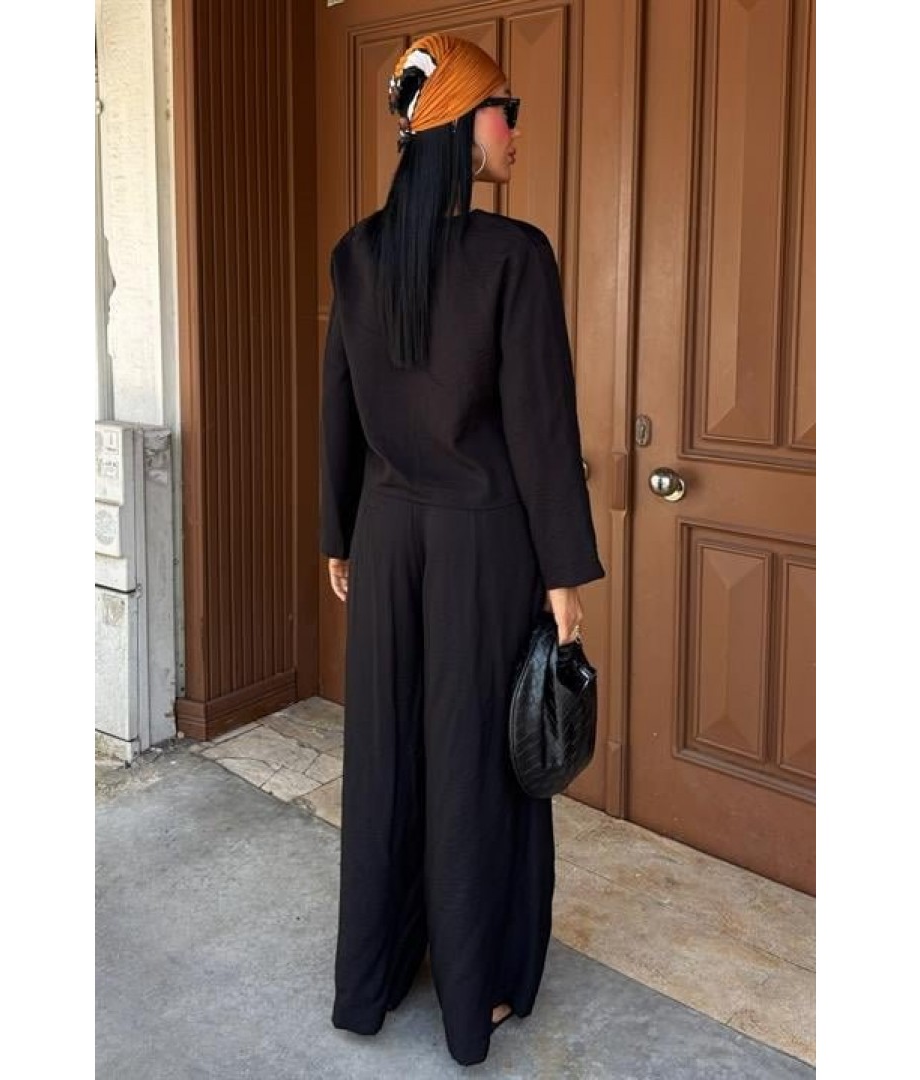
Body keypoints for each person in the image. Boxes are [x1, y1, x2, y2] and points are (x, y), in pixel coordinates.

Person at [320, 31, 606, 1068]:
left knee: (388, 750)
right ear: (458, 125)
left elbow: (339, 405)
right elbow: (540, 426)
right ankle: (473, 990)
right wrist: (565, 572)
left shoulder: (357, 254)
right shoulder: (514, 255)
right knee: (478, 760)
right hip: (484, 547)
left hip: (387, 536)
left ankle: (373, 976)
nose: (516, 128)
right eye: (505, 109)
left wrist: (339, 533)